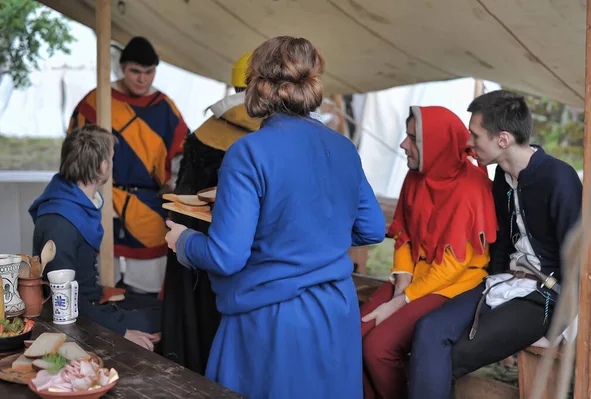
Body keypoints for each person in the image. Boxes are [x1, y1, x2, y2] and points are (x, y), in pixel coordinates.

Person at [165, 36, 386, 399]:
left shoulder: (247, 152)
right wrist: (313, 233)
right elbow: (372, 228)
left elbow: (227, 256)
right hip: (336, 313)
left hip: (271, 318)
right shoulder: (344, 148)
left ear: (259, 86)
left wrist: (185, 242)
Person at [409, 90, 583, 399]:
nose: (468, 143)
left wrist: (561, 328)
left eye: (475, 135)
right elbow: (502, 244)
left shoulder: (559, 178)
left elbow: (578, 258)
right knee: (428, 331)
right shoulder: (502, 178)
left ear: (502, 139)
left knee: (444, 358)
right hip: (503, 283)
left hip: (545, 298)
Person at [360, 106, 498, 399]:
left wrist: (399, 303)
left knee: (377, 348)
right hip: (415, 278)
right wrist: (401, 284)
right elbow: (404, 237)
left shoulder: (471, 188)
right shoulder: (415, 176)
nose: (402, 145)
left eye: (412, 139)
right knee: (353, 337)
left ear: (436, 144)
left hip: (452, 285)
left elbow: (453, 267)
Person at [160, 51, 260, 374]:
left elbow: (181, 188)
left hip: (187, 239)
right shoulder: (263, 138)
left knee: (192, 326)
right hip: (234, 248)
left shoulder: (205, 127)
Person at [68, 36, 189, 295]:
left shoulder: (165, 107)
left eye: (149, 72)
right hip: (102, 203)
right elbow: (74, 158)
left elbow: (184, 157)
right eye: (136, 71)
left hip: (150, 209)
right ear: (122, 67)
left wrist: (178, 200)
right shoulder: (96, 101)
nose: (143, 79)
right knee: (100, 288)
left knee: (148, 292)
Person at [30, 125, 161, 351]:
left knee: (163, 308)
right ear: (103, 167)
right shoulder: (60, 222)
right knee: (170, 319)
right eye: (111, 157)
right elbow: (64, 300)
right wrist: (121, 333)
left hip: (91, 301)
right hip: (82, 315)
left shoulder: (73, 201)